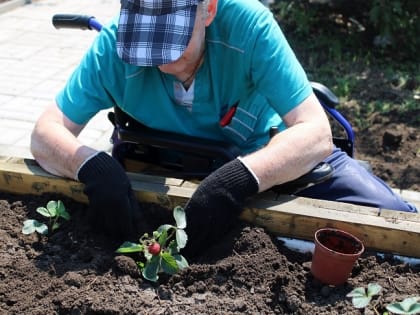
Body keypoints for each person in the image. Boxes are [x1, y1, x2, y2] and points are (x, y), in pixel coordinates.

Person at [30, 0, 416, 255]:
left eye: (172, 41)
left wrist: (239, 180)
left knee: (395, 222)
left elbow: (314, 132)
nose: (158, 59)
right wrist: (94, 169)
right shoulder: (114, 46)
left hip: (264, 159)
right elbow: (45, 133)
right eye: (146, 43)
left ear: (208, 9)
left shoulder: (248, 28)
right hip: (161, 159)